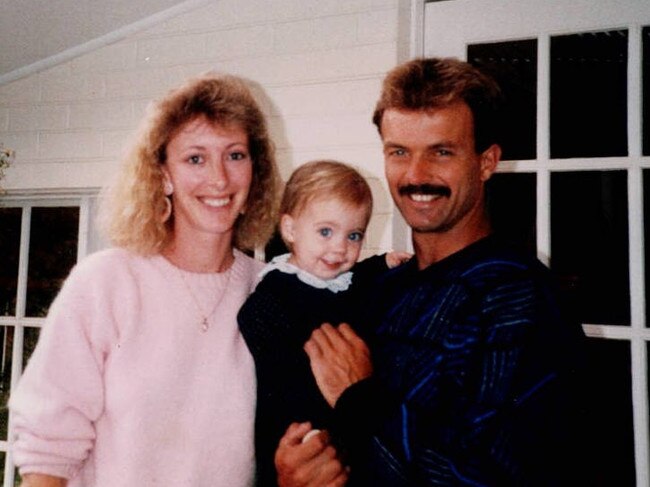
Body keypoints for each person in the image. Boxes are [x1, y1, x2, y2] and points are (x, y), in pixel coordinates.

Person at [275, 57, 588, 486]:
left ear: (486, 162)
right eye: (399, 152)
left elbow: (487, 474)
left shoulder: (518, 299)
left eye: (441, 152)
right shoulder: (379, 287)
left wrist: (360, 398)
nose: (416, 175)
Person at [9, 73, 280, 487]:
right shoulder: (106, 283)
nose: (220, 179)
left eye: (235, 155)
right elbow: (48, 453)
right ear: (164, 174)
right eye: (195, 158)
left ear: (254, 170)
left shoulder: (272, 293)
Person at [238, 159, 410, 487]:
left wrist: (383, 263)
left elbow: (358, 277)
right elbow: (259, 332)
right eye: (326, 232)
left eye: (354, 235)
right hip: (294, 432)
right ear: (290, 229)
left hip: (338, 424)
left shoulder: (339, 280)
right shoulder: (275, 292)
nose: (340, 248)